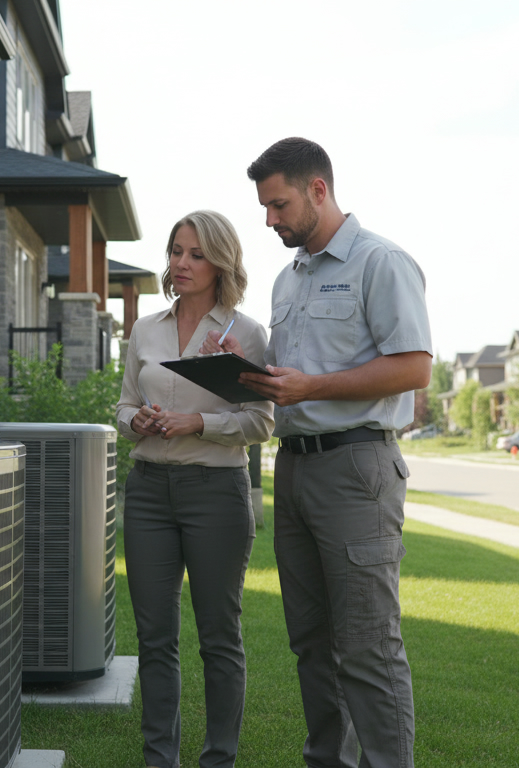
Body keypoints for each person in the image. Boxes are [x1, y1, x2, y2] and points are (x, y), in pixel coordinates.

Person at [203, 138, 432, 768]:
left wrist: (312, 386)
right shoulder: (288, 279)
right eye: (265, 208)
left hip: (357, 468)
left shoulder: (380, 262)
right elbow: (293, 376)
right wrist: (247, 373)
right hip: (296, 466)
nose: (269, 220)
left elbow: (414, 368)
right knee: (312, 643)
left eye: (278, 205)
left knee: (366, 644)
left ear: (318, 190)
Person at [116, 210, 274, 768]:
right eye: (176, 251)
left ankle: (218, 760)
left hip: (216, 495)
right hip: (150, 492)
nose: (181, 263)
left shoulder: (246, 334)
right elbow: (125, 403)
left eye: (196, 254)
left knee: (218, 638)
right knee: (155, 639)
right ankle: (160, 759)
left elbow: (261, 422)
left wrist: (198, 423)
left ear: (220, 263)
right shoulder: (144, 329)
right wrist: (135, 421)